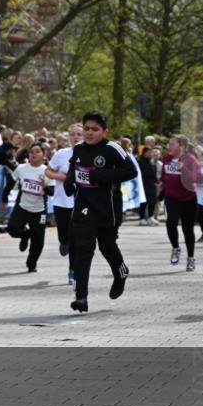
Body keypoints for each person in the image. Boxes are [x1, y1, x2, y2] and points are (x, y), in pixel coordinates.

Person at [63, 111, 137, 313]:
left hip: (108, 206)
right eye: (86, 128)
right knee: (83, 249)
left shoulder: (113, 149)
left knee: (107, 246)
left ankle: (121, 273)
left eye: (94, 129)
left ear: (104, 131)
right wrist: (69, 183)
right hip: (84, 205)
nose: (89, 133)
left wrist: (100, 175)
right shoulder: (78, 149)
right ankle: (81, 297)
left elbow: (131, 171)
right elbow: (74, 168)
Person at [4, 143, 53, 272]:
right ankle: (25, 235)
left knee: (38, 242)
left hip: (39, 210)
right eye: (31, 152)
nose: (34, 154)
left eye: (37, 151)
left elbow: (53, 192)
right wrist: (4, 197)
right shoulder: (21, 168)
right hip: (22, 207)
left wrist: (45, 188)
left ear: (43, 155)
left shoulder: (47, 171)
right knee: (12, 229)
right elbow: (10, 182)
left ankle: (32, 264)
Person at [160, 134, 202, 270]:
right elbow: (164, 176)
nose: (169, 147)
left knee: (187, 229)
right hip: (172, 198)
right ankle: (176, 248)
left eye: (172, 144)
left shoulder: (190, 159)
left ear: (181, 146)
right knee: (170, 223)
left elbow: (199, 179)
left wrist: (184, 169)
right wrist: (163, 188)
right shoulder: (166, 158)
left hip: (188, 199)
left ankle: (191, 258)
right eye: (169, 144)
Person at [137, 145, 159, 225]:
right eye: (148, 152)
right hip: (143, 184)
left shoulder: (153, 163)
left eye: (151, 153)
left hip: (151, 185)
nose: (150, 154)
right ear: (144, 153)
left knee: (152, 201)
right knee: (143, 202)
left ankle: (151, 217)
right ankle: (142, 218)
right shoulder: (139, 162)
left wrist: (157, 182)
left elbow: (154, 174)